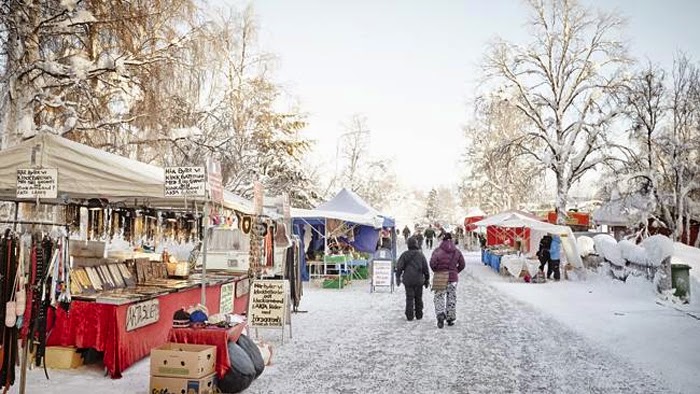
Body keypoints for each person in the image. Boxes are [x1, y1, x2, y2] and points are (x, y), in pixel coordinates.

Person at [430, 233, 465, 328]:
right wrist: (455, 272)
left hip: (440, 276)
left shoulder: (437, 251)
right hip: (453, 278)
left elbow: (432, 263)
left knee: (439, 297)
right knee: (451, 297)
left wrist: (437, 271)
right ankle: (450, 318)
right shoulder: (457, 251)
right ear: (452, 240)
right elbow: (462, 264)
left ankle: (440, 315)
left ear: (442, 240)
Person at [395, 236, 430, 321]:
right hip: (418, 280)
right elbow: (425, 268)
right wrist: (427, 279)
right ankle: (419, 314)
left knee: (409, 297)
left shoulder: (404, 255)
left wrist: (398, 278)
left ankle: (409, 315)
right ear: (416, 244)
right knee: (418, 297)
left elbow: (399, 267)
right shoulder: (421, 255)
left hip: (408, 280)